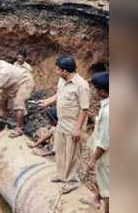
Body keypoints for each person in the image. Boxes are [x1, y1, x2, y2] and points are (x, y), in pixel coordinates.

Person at [39, 54, 90, 194]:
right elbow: (59, 95)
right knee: (60, 151)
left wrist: (77, 129)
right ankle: (62, 175)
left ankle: (72, 181)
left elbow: (84, 109)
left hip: (73, 126)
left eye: (57, 70)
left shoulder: (81, 86)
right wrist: (47, 101)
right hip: (61, 123)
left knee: (72, 155)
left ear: (65, 71)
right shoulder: (62, 80)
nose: (56, 72)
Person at [80, 72, 109, 212]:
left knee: (108, 188)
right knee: (103, 178)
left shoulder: (108, 111)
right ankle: (96, 199)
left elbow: (104, 141)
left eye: (96, 89)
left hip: (106, 155)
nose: (94, 92)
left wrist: (93, 159)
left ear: (103, 91)